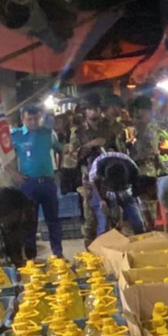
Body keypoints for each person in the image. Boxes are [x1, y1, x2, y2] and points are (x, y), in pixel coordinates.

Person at [12, 104, 64, 259]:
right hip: (29, 184)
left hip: (48, 182)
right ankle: (31, 257)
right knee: (29, 223)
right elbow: (3, 157)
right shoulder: (15, 136)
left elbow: (61, 149)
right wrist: (14, 174)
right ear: (22, 119)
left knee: (53, 220)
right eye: (29, 119)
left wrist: (59, 168)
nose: (33, 122)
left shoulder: (47, 133)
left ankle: (58, 253)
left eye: (36, 119)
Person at [74, 93, 120, 245]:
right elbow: (71, 158)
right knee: (90, 221)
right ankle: (90, 252)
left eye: (97, 108)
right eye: (91, 109)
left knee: (113, 218)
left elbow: (119, 152)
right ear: (84, 111)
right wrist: (90, 145)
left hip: (109, 179)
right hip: (90, 181)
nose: (94, 112)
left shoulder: (108, 130)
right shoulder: (79, 133)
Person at [87, 151, 146, 236]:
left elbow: (137, 187)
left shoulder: (132, 168)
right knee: (103, 225)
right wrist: (101, 200)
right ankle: (104, 240)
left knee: (138, 222)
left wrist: (140, 205)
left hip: (126, 193)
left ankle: (141, 239)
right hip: (104, 192)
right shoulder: (98, 166)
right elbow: (93, 182)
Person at [129, 95, 163, 176]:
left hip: (147, 168)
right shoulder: (138, 125)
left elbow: (155, 150)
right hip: (136, 167)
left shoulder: (152, 128)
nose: (135, 114)